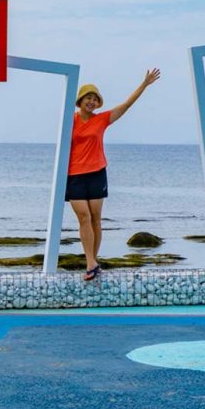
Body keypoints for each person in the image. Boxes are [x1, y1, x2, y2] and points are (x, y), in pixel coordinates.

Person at [67, 69, 161, 280]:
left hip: (97, 172)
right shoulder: (69, 119)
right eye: (88, 98)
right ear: (80, 101)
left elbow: (126, 105)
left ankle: (92, 262)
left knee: (95, 219)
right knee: (83, 217)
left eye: (94, 99)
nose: (91, 102)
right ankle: (91, 262)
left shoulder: (101, 119)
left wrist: (144, 84)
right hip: (75, 174)